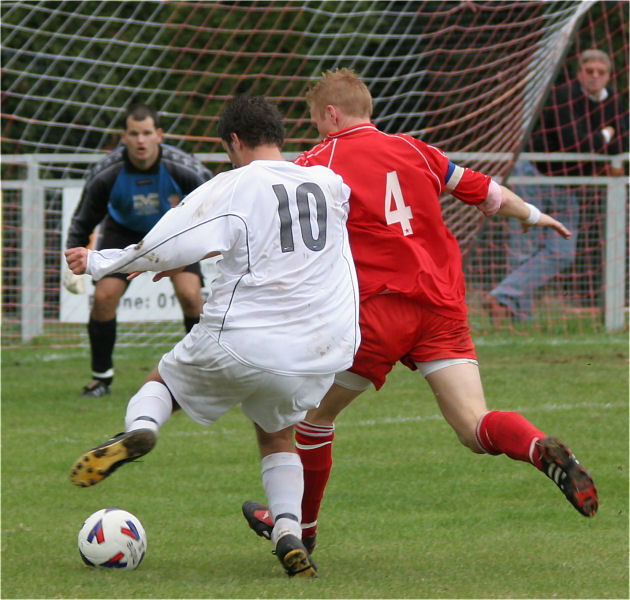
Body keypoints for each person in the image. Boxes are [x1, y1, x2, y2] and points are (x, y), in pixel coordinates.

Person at [241, 68, 598, 556]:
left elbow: (281, 225)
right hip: (442, 305)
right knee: (475, 426)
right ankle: (538, 447)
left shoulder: (317, 162)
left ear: (331, 113)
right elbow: (487, 193)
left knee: (311, 422)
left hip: (378, 312)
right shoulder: (415, 149)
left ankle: (301, 531)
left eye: (315, 121)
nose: (316, 131)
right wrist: (536, 215)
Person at [65, 95, 361, 578]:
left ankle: (142, 429)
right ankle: (289, 530)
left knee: (162, 379)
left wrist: (102, 261)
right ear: (279, 139)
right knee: (277, 433)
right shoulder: (329, 183)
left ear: (235, 141)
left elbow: (169, 238)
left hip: (246, 337)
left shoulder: (235, 183)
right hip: (323, 347)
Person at [65, 103, 212, 397]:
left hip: (173, 235)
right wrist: (73, 260)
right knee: (104, 297)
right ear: (123, 137)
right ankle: (101, 379)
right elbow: (83, 220)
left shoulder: (184, 168)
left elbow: (214, 205)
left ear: (159, 135)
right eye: (134, 134)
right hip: (123, 234)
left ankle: (198, 377)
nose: (141, 140)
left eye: (146, 133)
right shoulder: (106, 173)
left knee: (190, 295)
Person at [484, 49, 628, 322]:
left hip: (568, 184)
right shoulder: (563, 96)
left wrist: (602, 140)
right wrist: (606, 134)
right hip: (534, 175)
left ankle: (501, 295)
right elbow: (576, 142)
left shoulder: (615, 102)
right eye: (590, 71)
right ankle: (515, 316)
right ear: (579, 73)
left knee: (563, 251)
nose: (595, 77)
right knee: (523, 244)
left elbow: (622, 143)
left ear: (609, 76)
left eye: (601, 72)